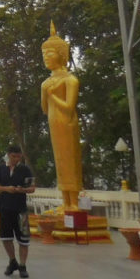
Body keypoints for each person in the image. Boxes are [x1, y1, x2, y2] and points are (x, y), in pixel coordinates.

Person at [41, 22, 83, 211]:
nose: (46, 58)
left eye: (49, 53)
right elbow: (44, 109)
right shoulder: (46, 83)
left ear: (61, 54)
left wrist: (53, 96)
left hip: (67, 123)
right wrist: (46, 94)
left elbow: (68, 107)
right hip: (54, 123)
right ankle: (65, 201)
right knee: (59, 161)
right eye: (44, 54)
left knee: (70, 159)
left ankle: (74, 202)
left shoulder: (70, 80)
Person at [0, 145, 35, 278]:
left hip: (21, 209)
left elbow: (32, 188)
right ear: (9, 155)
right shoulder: (1, 168)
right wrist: (6, 189)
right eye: (14, 156)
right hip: (5, 208)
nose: (16, 159)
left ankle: (23, 265)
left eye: (18, 156)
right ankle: (12, 260)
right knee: (6, 237)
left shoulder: (25, 169)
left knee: (24, 238)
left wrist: (22, 190)